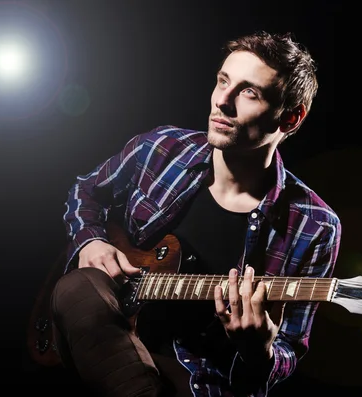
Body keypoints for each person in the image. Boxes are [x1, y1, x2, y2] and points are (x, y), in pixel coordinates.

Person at [50, 31, 342, 397]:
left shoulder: (315, 225)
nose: (222, 101)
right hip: (99, 329)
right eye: (223, 81)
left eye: (249, 92)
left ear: (290, 118)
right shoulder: (161, 148)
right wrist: (90, 241)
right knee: (78, 287)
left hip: (197, 377)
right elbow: (86, 191)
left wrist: (260, 349)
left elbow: (288, 352)